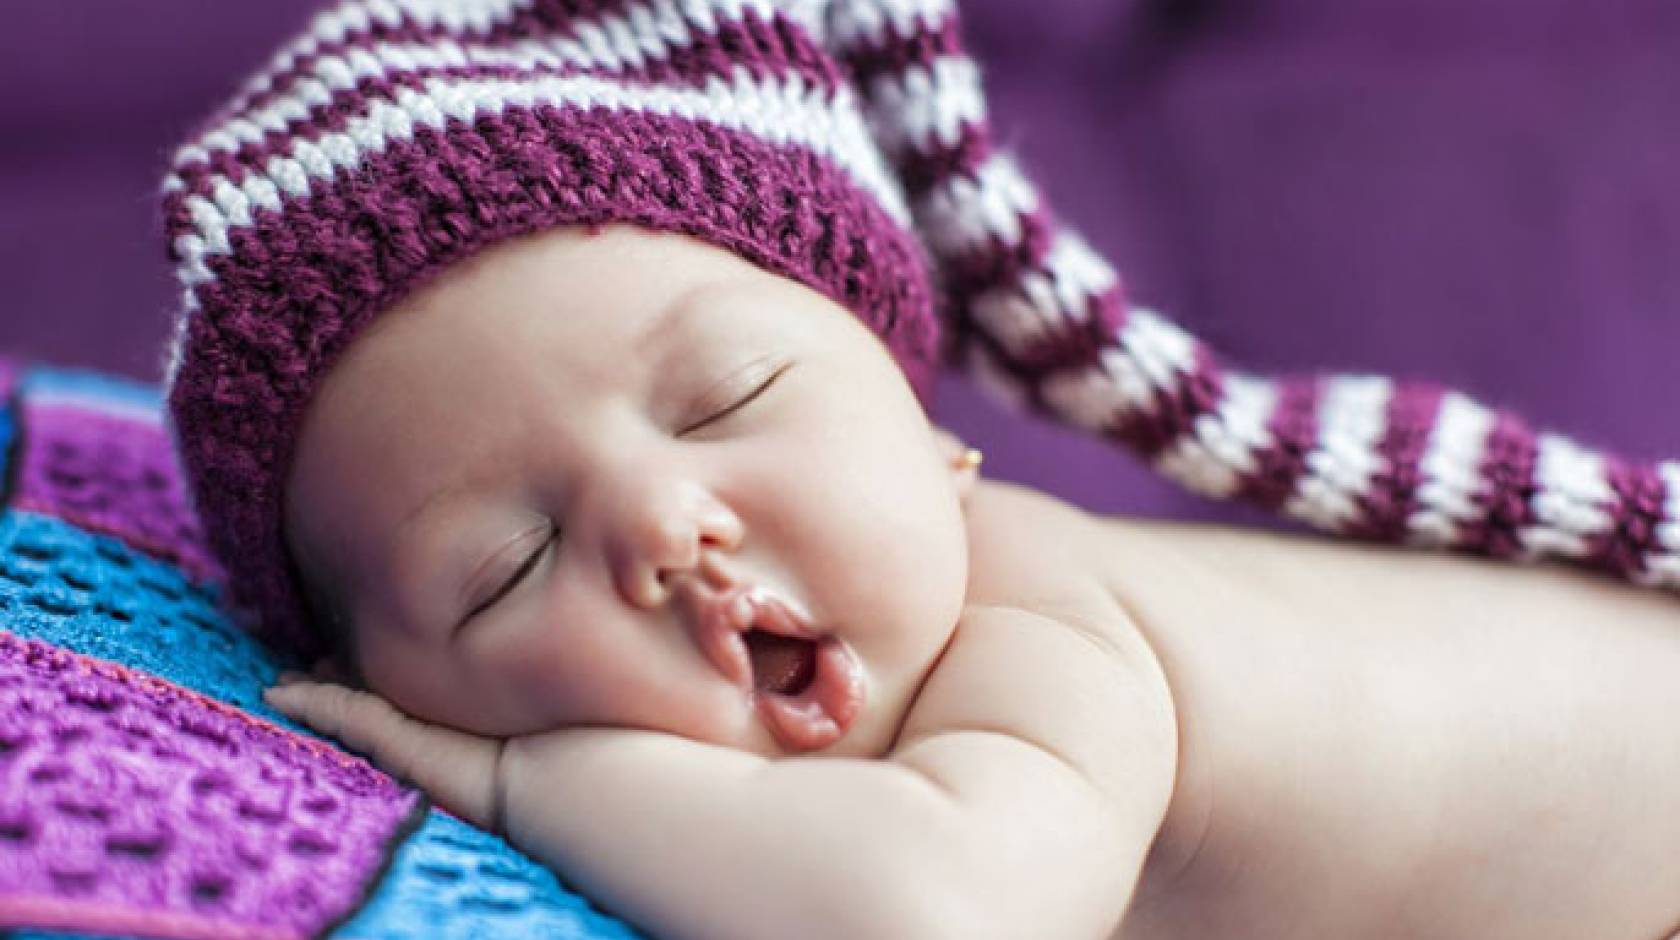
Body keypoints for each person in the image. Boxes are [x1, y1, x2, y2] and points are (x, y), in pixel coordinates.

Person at [161, 1, 1680, 937]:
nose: (663, 523)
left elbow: (934, 914)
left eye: (728, 398)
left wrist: (521, 778)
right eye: (505, 565)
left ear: (931, 431)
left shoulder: (1041, 634)